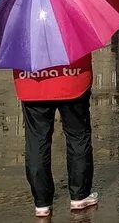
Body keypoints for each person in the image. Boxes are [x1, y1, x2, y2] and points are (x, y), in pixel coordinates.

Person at [15, 55, 98, 216]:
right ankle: (80, 195)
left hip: (32, 80)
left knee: (36, 141)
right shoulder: (74, 27)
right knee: (78, 136)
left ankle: (42, 202)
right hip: (73, 76)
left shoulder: (18, 28)